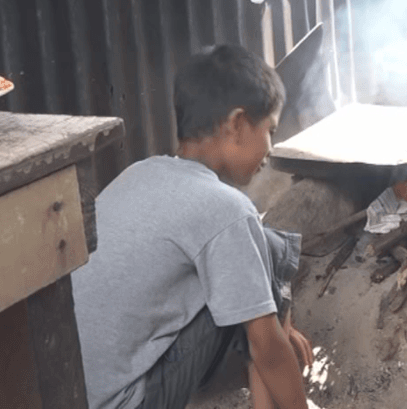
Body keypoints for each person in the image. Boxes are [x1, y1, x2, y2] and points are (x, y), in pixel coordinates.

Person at [72, 44, 313, 409]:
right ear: (236, 124)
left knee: (251, 258)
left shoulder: (140, 173)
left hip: (73, 393)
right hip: (128, 402)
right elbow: (264, 346)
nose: (270, 149)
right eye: (270, 131)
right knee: (263, 255)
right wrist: (276, 338)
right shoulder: (226, 209)